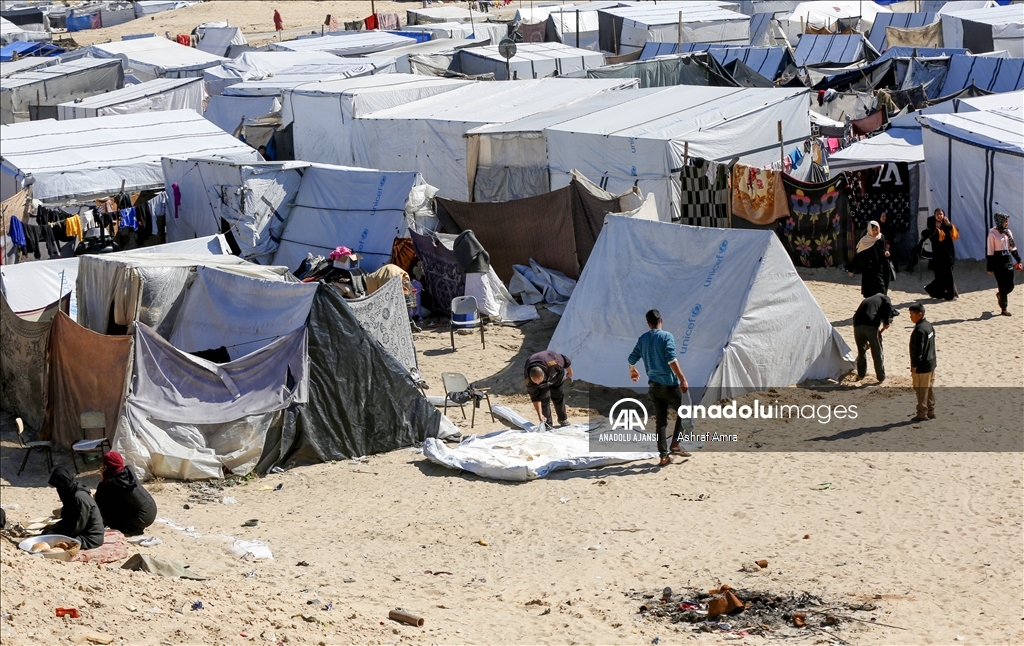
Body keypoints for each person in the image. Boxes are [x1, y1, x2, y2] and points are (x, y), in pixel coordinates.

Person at [628, 309, 690, 467]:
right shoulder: (666, 336)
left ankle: (663, 456)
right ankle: (675, 443)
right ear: (661, 320)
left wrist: (632, 369)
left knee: (661, 423)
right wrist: (682, 379)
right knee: (685, 413)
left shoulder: (643, 339)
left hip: (653, 386)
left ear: (648, 324)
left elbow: (632, 358)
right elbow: (671, 359)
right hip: (669, 385)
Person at [94, 452, 157, 536]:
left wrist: (103, 481)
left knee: (107, 510)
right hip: (151, 509)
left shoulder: (113, 483)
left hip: (141, 518)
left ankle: (131, 529)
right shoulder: (128, 472)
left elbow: (100, 500)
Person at [47, 466, 105, 549]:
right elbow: (70, 518)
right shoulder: (72, 493)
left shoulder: (79, 498)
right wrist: (56, 526)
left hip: (91, 537)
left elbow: (78, 525)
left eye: (59, 487)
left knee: (57, 541)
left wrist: (59, 532)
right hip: (81, 531)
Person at [852, 292, 894, 383]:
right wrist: (886, 322)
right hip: (870, 325)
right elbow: (888, 306)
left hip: (857, 324)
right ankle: (881, 377)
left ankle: (861, 375)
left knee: (861, 351)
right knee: (877, 352)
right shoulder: (885, 298)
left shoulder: (869, 300)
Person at [986, 212, 1023, 317]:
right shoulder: (992, 234)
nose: (1007, 223)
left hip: (1008, 260)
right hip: (998, 262)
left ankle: (1000, 295)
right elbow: (990, 251)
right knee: (1002, 285)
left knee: (1010, 285)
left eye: (1007, 221)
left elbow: (1013, 248)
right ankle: (1004, 308)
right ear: (1000, 221)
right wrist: (990, 267)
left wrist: (1019, 260)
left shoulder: (1008, 232)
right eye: (1005, 221)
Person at [525, 350, 572, 427]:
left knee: (558, 396)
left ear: (543, 374)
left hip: (555, 375)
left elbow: (565, 360)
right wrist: (540, 415)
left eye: (539, 381)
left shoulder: (553, 362)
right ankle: (548, 424)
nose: (537, 384)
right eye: (536, 382)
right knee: (544, 399)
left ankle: (563, 419)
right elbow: (535, 398)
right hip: (545, 380)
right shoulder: (529, 381)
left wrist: (570, 372)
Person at [847, 220, 890, 297]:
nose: (875, 232)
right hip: (869, 269)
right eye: (873, 230)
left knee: (882, 288)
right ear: (869, 230)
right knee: (871, 289)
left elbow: (882, 249)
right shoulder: (864, 241)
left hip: (880, 267)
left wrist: (886, 252)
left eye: (876, 230)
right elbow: (858, 256)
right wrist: (852, 269)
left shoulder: (880, 237)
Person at [908, 303, 936, 422]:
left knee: (921, 391)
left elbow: (917, 350)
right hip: (931, 363)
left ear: (920, 314)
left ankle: (921, 414)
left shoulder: (919, 330)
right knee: (929, 389)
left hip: (922, 366)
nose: (910, 317)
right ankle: (931, 411)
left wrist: (914, 365)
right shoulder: (929, 326)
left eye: (912, 315)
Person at [924, 208, 958, 301]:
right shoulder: (932, 225)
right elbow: (936, 238)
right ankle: (945, 294)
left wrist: (949, 225)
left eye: (941, 214)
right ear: (935, 216)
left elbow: (955, 235)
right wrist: (937, 228)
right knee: (942, 274)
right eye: (937, 214)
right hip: (939, 254)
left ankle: (946, 293)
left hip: (948, 252)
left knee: (947, 273)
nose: (939, 216)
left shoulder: (946, 224)